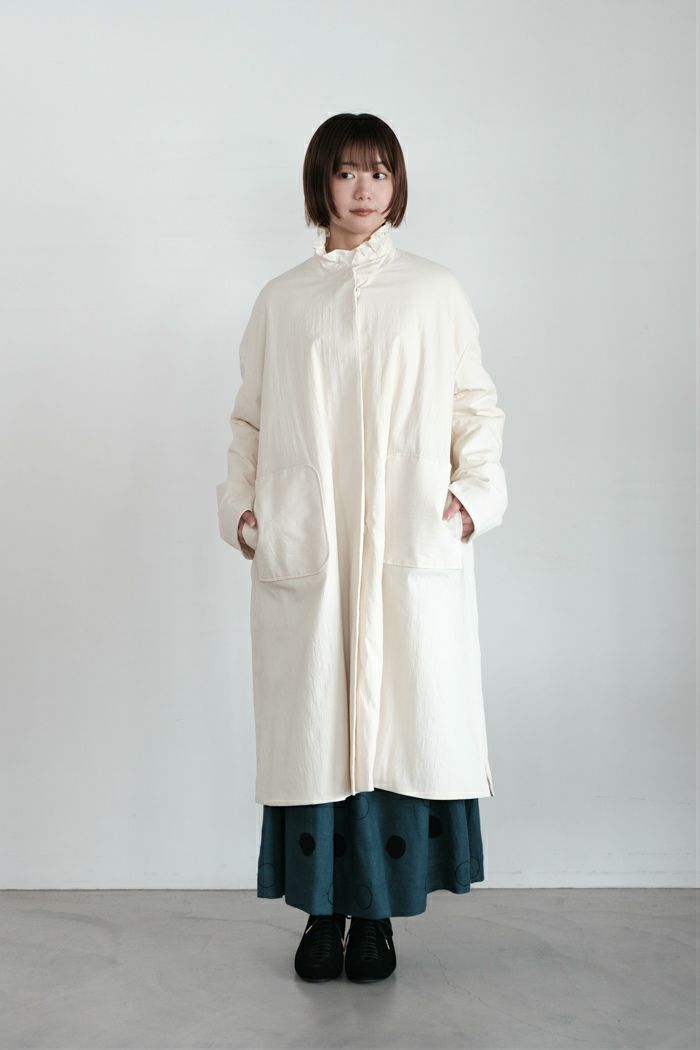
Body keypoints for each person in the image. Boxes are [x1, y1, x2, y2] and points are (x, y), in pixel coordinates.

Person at [216, 112, 508, 983]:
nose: (365, 189)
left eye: (380, 172)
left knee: (398, 723)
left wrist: (469, 497)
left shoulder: (434, 292)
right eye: (347, 172)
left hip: (406, 544)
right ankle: (320, 917)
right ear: (322, 184)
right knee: (317, 724)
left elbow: (473, 406)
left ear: (397, 184)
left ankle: (377, 921)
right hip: (312, 547)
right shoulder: (284, 299)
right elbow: (249, 420)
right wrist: (245, 511)